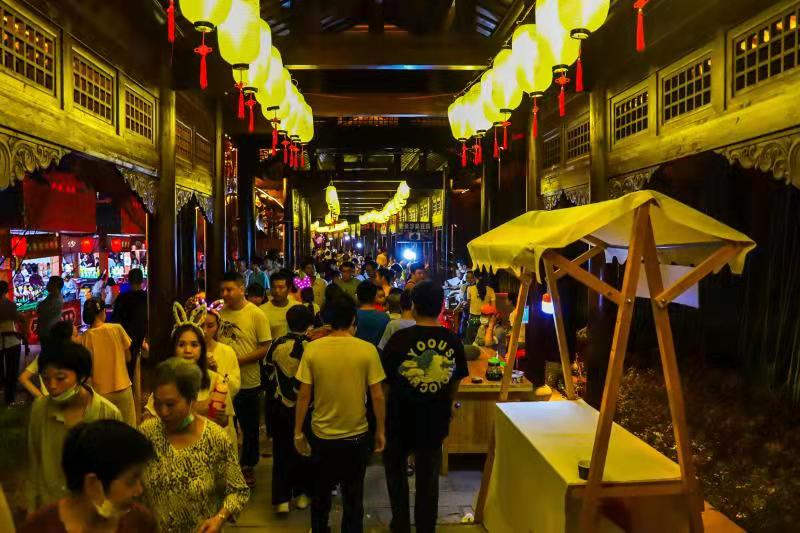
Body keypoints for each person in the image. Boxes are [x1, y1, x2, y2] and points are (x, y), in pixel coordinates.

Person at [381, 281, 469, 533]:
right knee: (428, 480)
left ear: (414, 306)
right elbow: (455, 380)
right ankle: (425, 527)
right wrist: (448, 404)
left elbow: (385, 383)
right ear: (441, 306)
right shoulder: (452, 340)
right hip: (434, 419)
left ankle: (400, 525)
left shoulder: (399, 339)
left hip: (399, 418)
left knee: (396, 476)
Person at [294, 296, 386, 533]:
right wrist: (380, 430)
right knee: (353, 497)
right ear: (353, 319)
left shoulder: (313, 350)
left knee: (321, 494)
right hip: (356, 435)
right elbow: (377, 396)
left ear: (326, 320)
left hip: (322, 435)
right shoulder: (367, 350)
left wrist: (297, 432)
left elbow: (304, 395)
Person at [139, 358, 250, 533]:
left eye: (170, 404)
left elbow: (238, 491)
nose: (163, 412)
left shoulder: (214, 438)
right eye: (158, 404)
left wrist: (219, 519)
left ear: (191, 399)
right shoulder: (147, 434)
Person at [26, 342, 122, 513]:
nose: (52, 386)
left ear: (82, 376)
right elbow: (34, 460)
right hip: (52, 509)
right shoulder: (40, 409)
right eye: (46, 378)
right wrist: (31, 507)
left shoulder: (108, 414)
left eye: (60, 378)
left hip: (93, 512)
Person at [21, 419, 157, 533]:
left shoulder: (141, 523)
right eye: (131, 481)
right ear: (92, 484)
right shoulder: (40, 528)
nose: (139, 490)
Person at [218, 272, 272, 486]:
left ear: (242, 289)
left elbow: (265, 347)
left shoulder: (255, 314)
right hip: (223, 381)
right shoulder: (220, 313)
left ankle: (248, 465)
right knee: (225, 425)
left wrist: (236, 360)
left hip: (248, 381)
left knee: (249, 428)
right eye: (223, 290)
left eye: (229, 289)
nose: (225, 294)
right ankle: (228, 465)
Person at [144, 321, 235, 442]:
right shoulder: (165, 378)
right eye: (181, 345)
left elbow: (226, 426)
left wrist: (222, 418)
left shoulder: (217, 381)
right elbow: (150, 419)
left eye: (194, 345)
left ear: (202, 349)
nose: (188, 350)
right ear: (173, 348)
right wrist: (200, 408)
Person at [265, 305, 314, 514]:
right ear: (310, 324)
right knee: (305, 450)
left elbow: (267, 372)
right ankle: (302, 494)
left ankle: (281, 499)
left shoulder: (277, 344)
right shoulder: (313, 346)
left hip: (280, 406)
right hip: (308, 407)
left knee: (281, 451)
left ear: (287, 322)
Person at [78, 299, 135, 426]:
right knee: (128, 430)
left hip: (100, 393)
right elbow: (128, 358)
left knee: (105, 432)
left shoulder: (84, 338)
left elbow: (87, 371)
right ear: (103, 312)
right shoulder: (117, 329)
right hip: (123, 387)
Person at [19, 320, 78, 398]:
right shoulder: (50, 356)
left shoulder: (45, 355)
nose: (78, 338)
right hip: (60, 402)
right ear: (67, 338)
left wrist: (41, 398)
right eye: (75, 335)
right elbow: (23, 378)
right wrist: (41, 397)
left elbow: (23, 378)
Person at [111, 268, 148, 381]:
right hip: (145, 339)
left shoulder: (122, 298)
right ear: (142, 280)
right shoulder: (148, 297)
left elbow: (115, 320)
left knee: (128, 372)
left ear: (128, 280)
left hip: (127, 340)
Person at [0, 280, 28, 405]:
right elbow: (21, 320)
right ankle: (9, 399)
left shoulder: (10, 305)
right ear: (6, 291)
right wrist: (25, 332)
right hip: (11, 341)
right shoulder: (10, 305)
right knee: (12, 371)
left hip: (5, 341)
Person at [464, 271, 496, 345]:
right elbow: (493, 308)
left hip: (474, 318)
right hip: (485, 319)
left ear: (475, 278)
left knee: (470, 340)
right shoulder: (491, 290)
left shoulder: (470, 289)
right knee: (483, 340)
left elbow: (468, 304)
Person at [355, 281, 390, 348]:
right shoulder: (385, 317)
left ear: (358, 297)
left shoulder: (352, 316)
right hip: (377, 353)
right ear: (375, 297)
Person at [37, 275, 64, 346]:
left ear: (54, 285)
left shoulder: (56, 299)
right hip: (46, 330)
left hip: (49, 332)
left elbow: (41, 310)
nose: (47, 285)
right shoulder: (51, 296)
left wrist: (40, 306)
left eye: (49, 283)